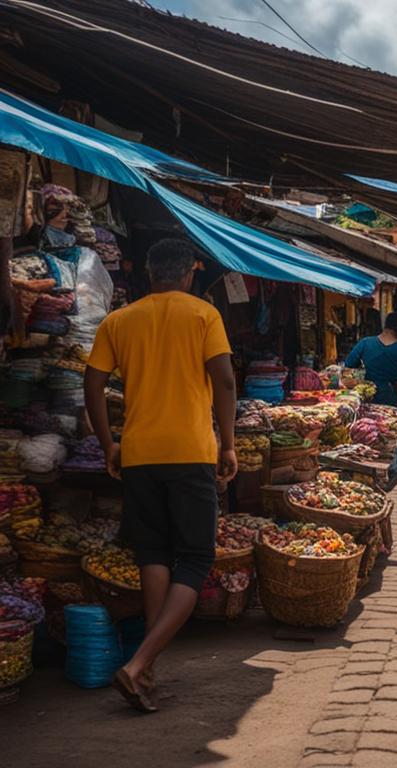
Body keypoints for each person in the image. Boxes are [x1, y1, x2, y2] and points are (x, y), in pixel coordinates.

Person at [83, 238, 237, 712]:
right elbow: (225, 380)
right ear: (188, 275)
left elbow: (92, 383)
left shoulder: (119, 320)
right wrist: (228, 444)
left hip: (140, 452)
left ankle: (146, 671)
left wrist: (110, 443)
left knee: (153, 553)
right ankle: (137, 664)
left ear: (149, 274)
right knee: (194, 559)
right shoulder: (202, 315)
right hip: (190, 451)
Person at [345, 312, 397, 407]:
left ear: (385, 326)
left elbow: (348, 367)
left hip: (367, 395)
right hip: (393, 398)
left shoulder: (365, 343)